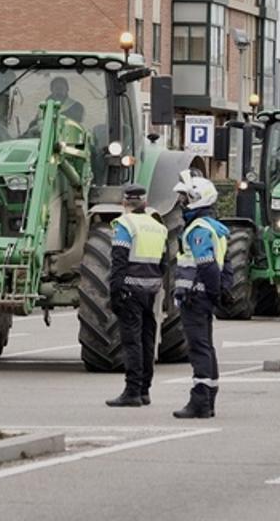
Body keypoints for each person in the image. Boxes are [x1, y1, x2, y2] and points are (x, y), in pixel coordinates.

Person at [172, 171, 229, 419]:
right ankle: (209, 400)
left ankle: (200, 402)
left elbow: (206, 265)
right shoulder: (213, 227)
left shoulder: (198, 229)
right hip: (203, 297)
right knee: (206, 347)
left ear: (198, 199)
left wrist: (212, 293)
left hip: (195, 298)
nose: (182, 202)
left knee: (198, 348)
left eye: (185, 198)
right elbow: (224, 267)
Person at [105, 185, 168, 408]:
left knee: (132, 342)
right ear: (145, 202)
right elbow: (164, 264)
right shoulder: (158, 226)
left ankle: (132, 391)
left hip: (129, 290)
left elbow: (119, 262)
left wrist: (114, 293)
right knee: (147, 340)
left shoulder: (124, 225)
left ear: (124, 203)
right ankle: (144, 390)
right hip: (150, 291)